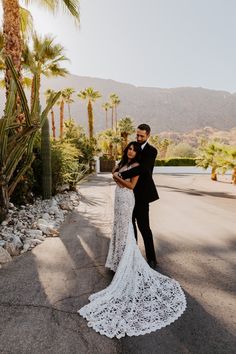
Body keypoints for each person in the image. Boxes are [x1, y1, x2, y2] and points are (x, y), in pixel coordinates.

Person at [78, 142, 186, 339]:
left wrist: (116, 177)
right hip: (118, 200)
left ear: (137, 153)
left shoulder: (137, 166)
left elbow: (130, 185)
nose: (131, 151)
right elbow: (117, 175)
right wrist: (116, 175)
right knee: (118, 229)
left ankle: (135, 260)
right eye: (129, 148)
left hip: (128, 199)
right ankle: (118, 259)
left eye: (134, 149)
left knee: (132, 229)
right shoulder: (122, 164)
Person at [115, 124, 159, 269]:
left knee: (144, 227)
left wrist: (121, 174)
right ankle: (133, 255)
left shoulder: (152, 151)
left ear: (148, 136)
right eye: (137, 135)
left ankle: (151, 259)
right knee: (130, 226)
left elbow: (143, 169)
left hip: (142, 194)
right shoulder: (133, 147)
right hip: (127, 194)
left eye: (142, 136)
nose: (139, 138)